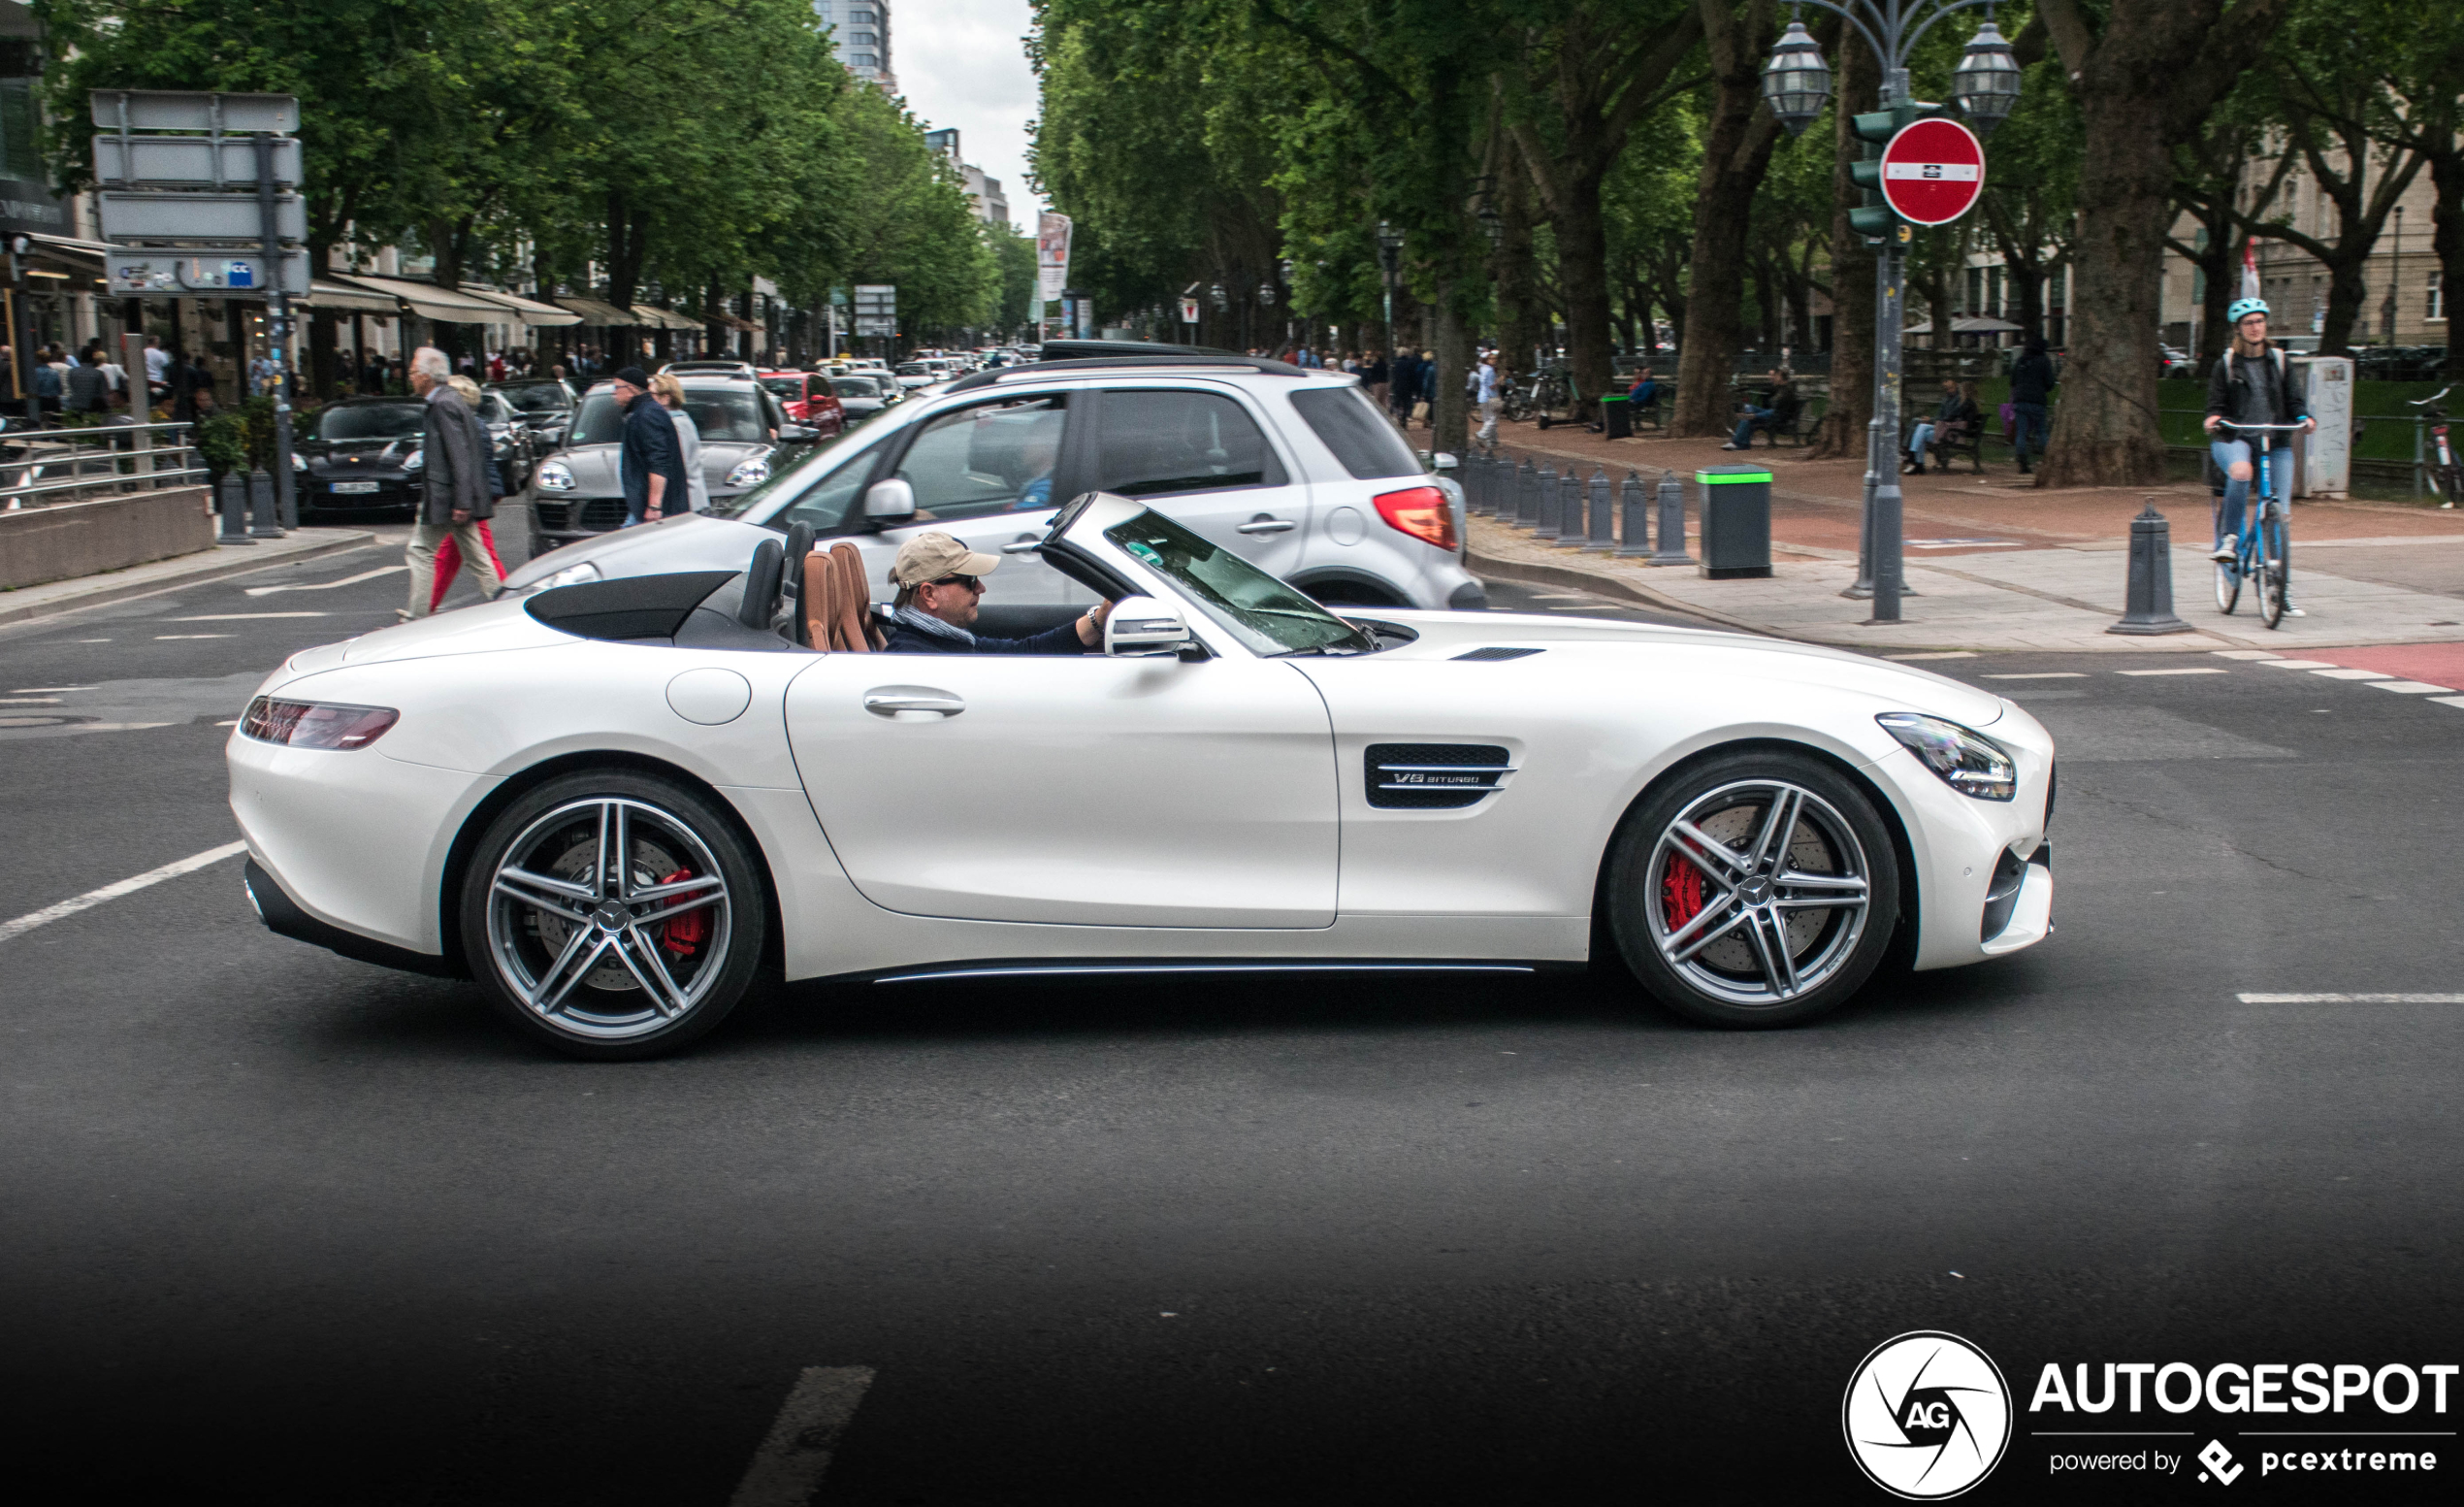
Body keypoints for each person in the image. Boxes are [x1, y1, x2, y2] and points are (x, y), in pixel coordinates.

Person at [2203, 298, 2312, 611]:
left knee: (2279, 513)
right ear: (2239, 328)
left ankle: (2280, 591)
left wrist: (2305, 418)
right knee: (2240, 472)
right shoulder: (2226, 363)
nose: (2255, 327)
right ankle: (2230, 540)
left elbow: (2295, 400)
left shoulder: (2278, 360)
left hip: (2273, 441)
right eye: (2249, 323)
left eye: (2260, 321)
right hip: (2235, 437)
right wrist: (2213, 418)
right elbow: (2215, 405)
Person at [881, 531, 1112, 654]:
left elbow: (1024, 652)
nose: (981, 588)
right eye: (969, 580)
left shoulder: (947, 640)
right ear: (929, 594)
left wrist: (1100, 618)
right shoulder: (915, 658)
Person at [401, 346, 503, 620]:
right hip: (455, 496)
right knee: (478, 558)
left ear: (426, 376)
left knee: (420, 551)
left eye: (412, 372)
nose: (410, 377)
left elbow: (459, 455)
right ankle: (503, 605)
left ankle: (417, 616)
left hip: (446, 496)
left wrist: (461, 502)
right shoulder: (450, 400)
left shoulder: (443, 405)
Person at [424, 375, 512, 613]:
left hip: (471, 496)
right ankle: (426, 605)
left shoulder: (465, 423)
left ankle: (506, 603)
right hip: (474, 494)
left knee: (481, 555)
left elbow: (470, 464)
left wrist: (466, 498)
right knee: (451, 555)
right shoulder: (472, 422)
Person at [611, 365, 686, 525]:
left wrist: (654, 506)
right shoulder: (645, 412)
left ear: (630, 389)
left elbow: (658, 461)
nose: (614, 393)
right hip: (648, 507)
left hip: (655, 510)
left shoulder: (647, 415)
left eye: (617, 387)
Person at [649, 371, 710, 512]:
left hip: (687, 503)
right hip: (687, 501)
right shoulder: (680, 421)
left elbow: (675, 467)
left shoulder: (676, 425)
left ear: (665, 398)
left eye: (651, 395)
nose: (647, 400)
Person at [1905, 378, 1977, 475]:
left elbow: (1952, 416)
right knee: (1922, 431)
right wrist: (1939, 420)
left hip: (1954, 434)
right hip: (1949, 430)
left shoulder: (1966, 403)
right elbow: (1950, 416)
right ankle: (1919, 464)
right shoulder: (1964, 402)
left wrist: (1936, 420)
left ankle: (1913, 456)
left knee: (1922, 427)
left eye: (1960, 390)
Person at [2008, 336, 2055, 474]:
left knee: (2021, 432)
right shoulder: (2044, 361)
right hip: (2037, 401)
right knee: (2041, 431)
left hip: (2020, 400)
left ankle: (2022, 462)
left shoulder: (2021, 360)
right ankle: (2047, 460)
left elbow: (2012, 380)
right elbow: (2050, 382)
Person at [1722, 369, 1799, 449]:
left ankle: (1739, 443)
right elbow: (1768, 391)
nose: (1774, 377)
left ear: (1781, 377)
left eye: (1776, 375)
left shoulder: (1786, 391)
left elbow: (1778, 412)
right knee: (1748, 407)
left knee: (1749, 417)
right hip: (1772, 413)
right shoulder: (1779, 388)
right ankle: (1741, 438)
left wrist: (1756, 415)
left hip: (1778, 417)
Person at [1474, 350, 1502, 450]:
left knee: (1487, 420)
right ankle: (1481, 435)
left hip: (1482, 397)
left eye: (1495, 358)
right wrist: (1499, 380)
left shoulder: (1482, 369)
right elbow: (1491, 386)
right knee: (1492, 420)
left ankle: (1492, 442)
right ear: (1486, 360)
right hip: (1489, 397)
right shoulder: (1490, 370)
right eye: (1491, 358)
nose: (1494, 360)